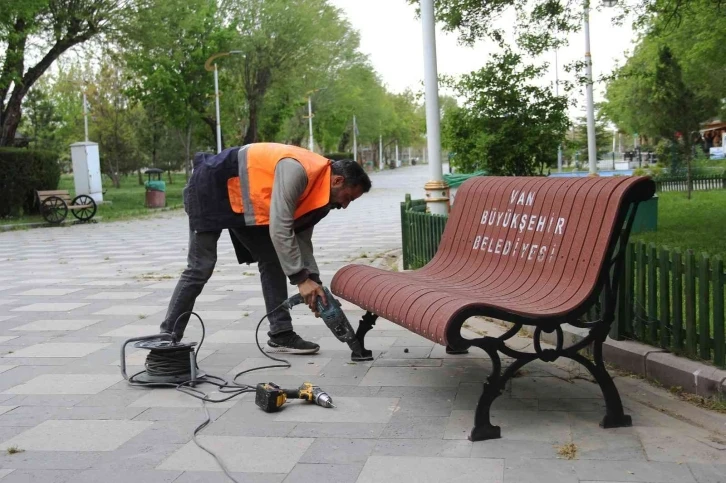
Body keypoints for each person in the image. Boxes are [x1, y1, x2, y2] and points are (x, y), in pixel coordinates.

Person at [158, 143, 371, 354]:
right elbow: (280, 227)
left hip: (242, 200)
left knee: (272, 259)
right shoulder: (298, 170)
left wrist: (312, 279)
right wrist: (300, 279)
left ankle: (281, 332)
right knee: (200, 267)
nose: (345, 206)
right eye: (348, 198)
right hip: (210, 187)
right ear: (338, 180)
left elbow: (301, 237)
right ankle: (166, 339)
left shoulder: (321, 192)